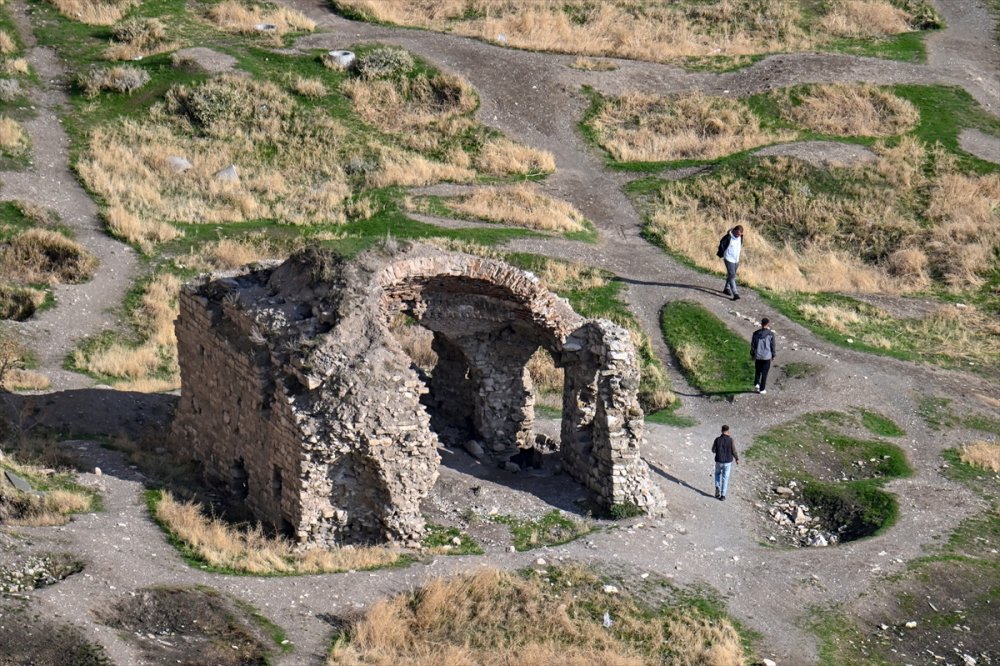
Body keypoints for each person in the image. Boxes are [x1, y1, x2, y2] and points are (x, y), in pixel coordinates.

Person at [711, 425, 739, 500]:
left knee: (717, 474)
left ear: (721, 430)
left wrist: (718, 450)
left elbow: (713, 450)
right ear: (728, 431)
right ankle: (723, 495)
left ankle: (717, 487)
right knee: (725, 478)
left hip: (719, 461)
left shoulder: (717, 439)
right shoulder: (731, 440)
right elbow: (734, 451)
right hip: (727, 462)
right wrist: (737, 458)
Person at [750, 317, 776, 395]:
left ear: (761, 324)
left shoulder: (755, 333)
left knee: (757, 371)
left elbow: (753, 345)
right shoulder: (771, 334)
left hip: (758, 356)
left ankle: (756, 384)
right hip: (766, 357)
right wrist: (773, 355)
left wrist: (752, 354)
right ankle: (762, 389)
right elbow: (772, 345)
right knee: (764, 373)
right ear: (767, 324)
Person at [718, 225, 743, 301]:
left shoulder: (740, 238)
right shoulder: (728, 237)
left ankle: (727, 288)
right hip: (728, 258)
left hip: (736, 259)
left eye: (739, 234)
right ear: (734, 230)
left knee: (731, 274)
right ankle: (735, 293)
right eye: (737, 234)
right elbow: (722, 244)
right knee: (732, 275)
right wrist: (722, 253)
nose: (738, 235)